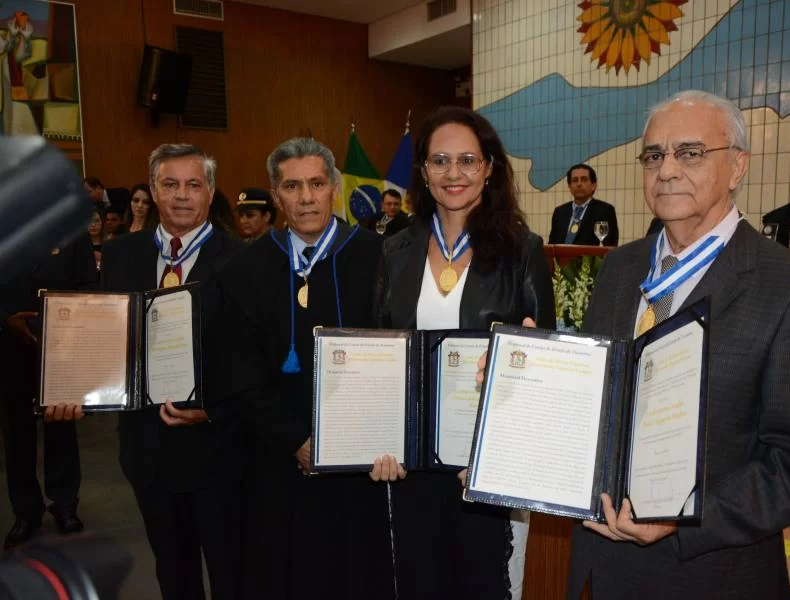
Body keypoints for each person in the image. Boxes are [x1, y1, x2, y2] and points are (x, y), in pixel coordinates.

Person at [566, 91, 790, 599]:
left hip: (712, 573)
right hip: (605, 564)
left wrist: (683, 520)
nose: (667, 170)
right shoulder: (619, 268)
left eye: (690, 153)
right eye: (654, 155)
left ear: (738, 166)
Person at [48, 143, 246, 600]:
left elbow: (252, 359)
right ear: (153, 190)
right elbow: (105, 340)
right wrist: (74, 388)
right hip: (147, 449)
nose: (182, 195)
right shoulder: (120, 254)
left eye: (193, 185)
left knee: (231, 572)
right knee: (173, 574)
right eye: (170, 184)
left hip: (217, 450)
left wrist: (215, 408)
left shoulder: (243, 261)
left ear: (210, 192)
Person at [373, 106, 555, 600]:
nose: (454, 173)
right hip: (411, 463)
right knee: (417, 581)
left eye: (468, 160)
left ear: (490, 167)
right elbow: (379, 349)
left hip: (480, 462)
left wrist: (498, 448)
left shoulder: (523, 249)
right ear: (424, 172)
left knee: (480, 585)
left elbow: (544, 364)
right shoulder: (396, 247)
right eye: (440, 161)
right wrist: (377, 435)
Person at [215, 138, 393, 599]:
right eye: (292, 186)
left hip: (360, 464)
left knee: (356, 576)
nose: (306, 197)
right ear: (276, 196)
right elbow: (240, 371)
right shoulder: (245, 269)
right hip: (275, 462)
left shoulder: (382, 260)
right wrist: (295, 441)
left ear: (334, 187)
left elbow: (398, 356)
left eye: (316, 183)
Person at [0, 233, 95, 550]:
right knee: (16, 433)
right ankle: (25, 512)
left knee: (62, 423)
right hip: (10, 345)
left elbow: (88, 285)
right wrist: (6, 319)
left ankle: (66, 504)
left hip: (61, 343)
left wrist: (64, 321)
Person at [548, 164, 619, 246]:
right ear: (569, 186)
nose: (579, 184)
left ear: (593, 185)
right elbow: (552, 245)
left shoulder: (605, 210)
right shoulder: (560, 212)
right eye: (574, 180)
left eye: (584, 180)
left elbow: (609, 245)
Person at [87, 205, 104, 272]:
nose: (93, 224)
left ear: (102, 222)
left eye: (96, 221)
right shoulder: (79, 247)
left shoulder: (110, 243)